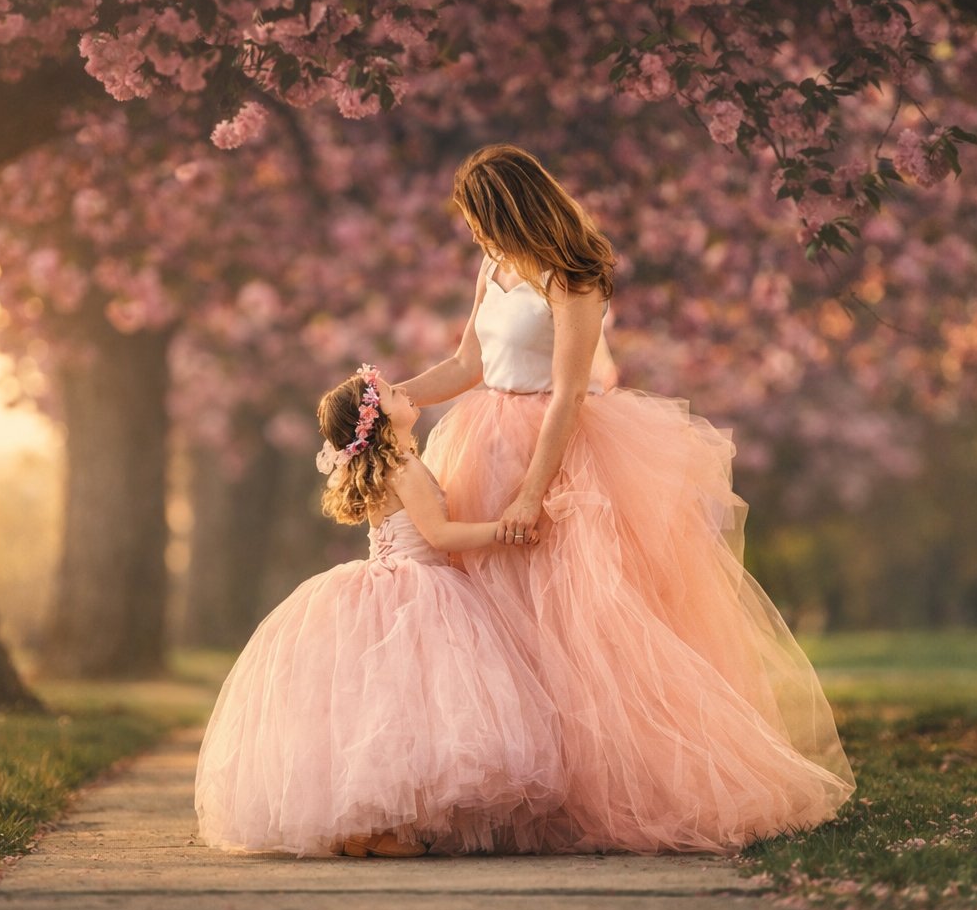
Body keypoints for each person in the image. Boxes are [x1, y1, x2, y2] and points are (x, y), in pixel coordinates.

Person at [399, 143, 856, 853]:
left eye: (479, 220)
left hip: (555, 451)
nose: (474, 236)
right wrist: (393, 395)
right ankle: (515, 786)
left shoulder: (571, 278)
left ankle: (590, 791)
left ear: (509, 209)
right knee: (495, 618)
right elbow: (466, 364)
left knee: (573, 622)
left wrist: (531, 493)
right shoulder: (493, 268)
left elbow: (571, 392)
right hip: (479, 444)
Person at [194, 364, 563, 858]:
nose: (404, 392)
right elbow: (441, 536)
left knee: (388, 708)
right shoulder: (405, 469)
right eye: (391, 392)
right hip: (416, 589)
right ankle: (379, 826)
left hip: (392, 584)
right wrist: (505, 531)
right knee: (409, 706)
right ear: (375, 418)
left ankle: (367, 825)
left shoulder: (396, 463)